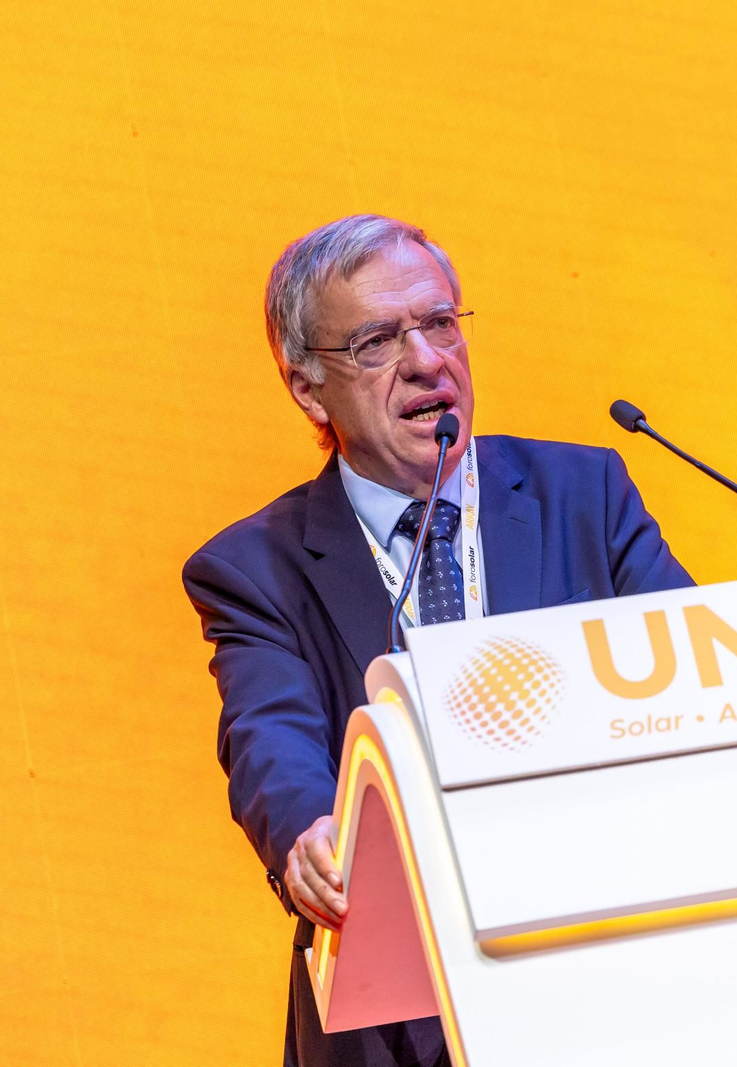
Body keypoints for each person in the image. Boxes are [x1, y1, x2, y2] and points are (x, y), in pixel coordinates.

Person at [181, 214, 693, 1067]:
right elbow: (267, 734)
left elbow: (693, 670)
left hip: (613, 976)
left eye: (441, 323)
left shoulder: (584, 495)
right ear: (309, 389)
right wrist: (311, 829)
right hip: (402, 1018)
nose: (427, 360)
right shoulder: (256, 568)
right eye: (378, 341)